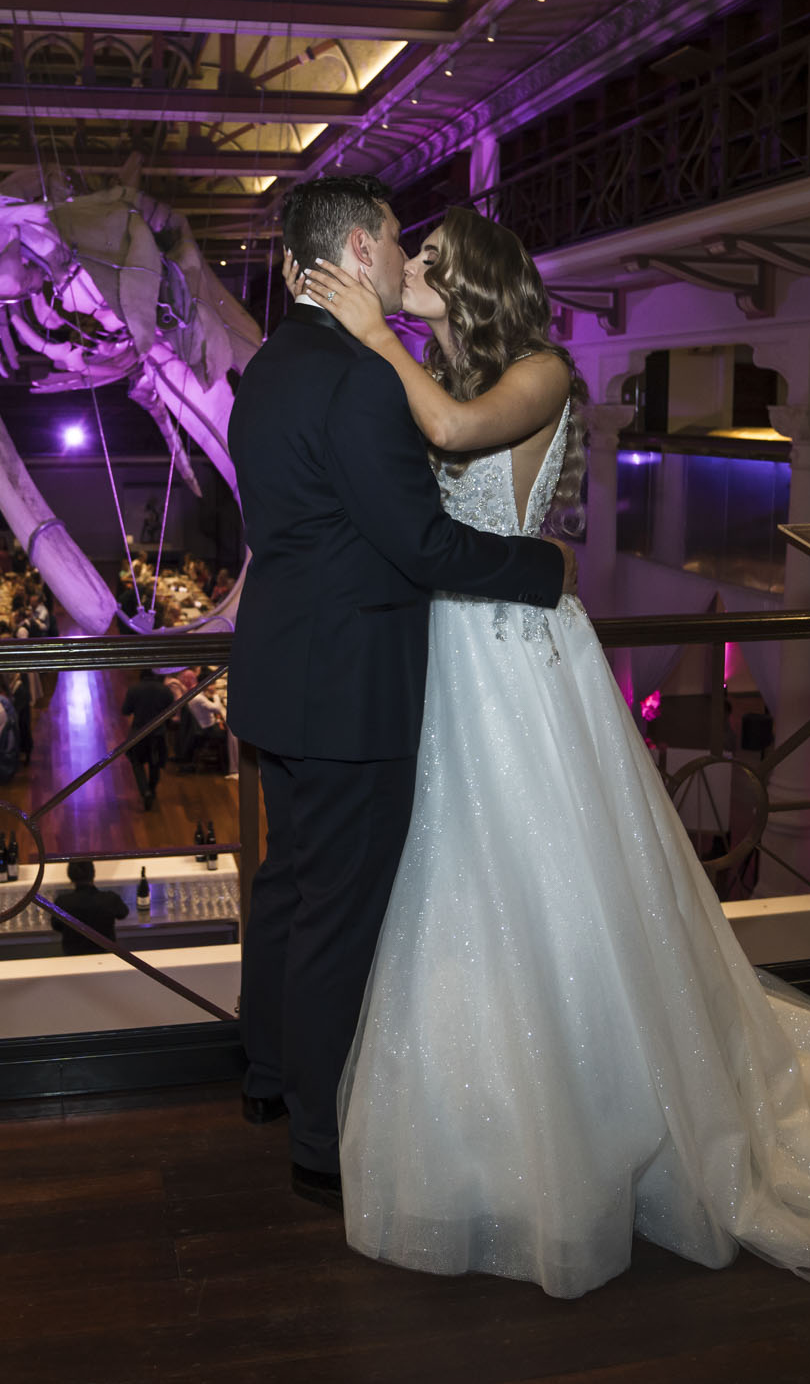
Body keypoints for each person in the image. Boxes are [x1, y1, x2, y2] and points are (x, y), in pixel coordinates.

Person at [286, 208, 810, 1299]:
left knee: (546, 879)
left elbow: (452, 434)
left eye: (430, 271)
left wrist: (370, 335)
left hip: (516, 661)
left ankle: (598, 1122)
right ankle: (484, 1122)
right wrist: (376, 316)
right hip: (451, 651)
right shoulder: (433, 364)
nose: (409, 280)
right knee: (460, 885)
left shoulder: (541, 374)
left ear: (477, 283)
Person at [227, 175, 574, 1216]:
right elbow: (418, 543)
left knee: (289, 888)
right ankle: (323, 1145)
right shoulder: (363, 377)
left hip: (280, 677)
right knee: (338, 912)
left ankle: (265, 1076)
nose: (403, 258)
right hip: (352, 690)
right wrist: (542, 571)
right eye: (393, 240)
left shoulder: (267, 367)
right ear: (357, 251)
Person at [119, 666, 175, 810]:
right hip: (159, 734)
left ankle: (145, 791)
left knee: (136, 762)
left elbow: (126, 711)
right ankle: (152, 789)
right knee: (155, 764)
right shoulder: (165, 690)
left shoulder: (134, 689)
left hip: (139, 733)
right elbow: (172, 713)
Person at [51, 858, 128, 956]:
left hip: (73, 956)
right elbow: (123, 913)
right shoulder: (110, 898)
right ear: (93, 873)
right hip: (105, 955)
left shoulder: (62, 902)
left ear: (70, 876)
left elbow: (56, 926)